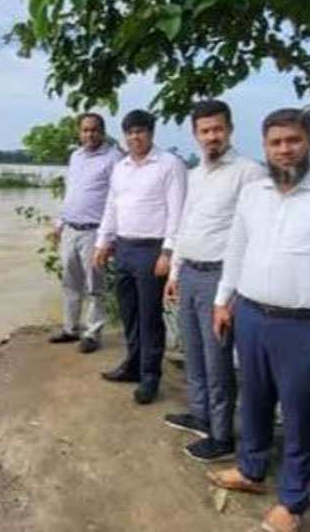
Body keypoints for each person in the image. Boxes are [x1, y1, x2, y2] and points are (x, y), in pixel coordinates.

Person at [210, 108, 310, 532]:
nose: (284, 150)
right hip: (250, 315)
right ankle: (251, 469)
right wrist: (223, 300)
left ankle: (293, 501)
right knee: (255, 400)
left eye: (293, 140)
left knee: (300, 415)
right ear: (264, 147)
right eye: (275, 142)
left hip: (306, 327)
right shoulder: (253, 194)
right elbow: (236, 250)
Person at [162, 100, 266, 462]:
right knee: (193, 350)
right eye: (204, 131)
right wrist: (174, 272)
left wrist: (234, 290)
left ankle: (221, 437)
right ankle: (199, 414)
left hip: (221, 277)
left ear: (230, 129)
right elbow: (185, 224)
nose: (211, 137)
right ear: (195, 135)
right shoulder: (195, 174)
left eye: (217, 129)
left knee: (217, 358)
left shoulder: (249, 172)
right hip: (190, 272)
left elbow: (257, 233)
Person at [93, 109, 186, 404]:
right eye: (130, 132)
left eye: (141, 131)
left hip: (152, 250)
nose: (135, 137)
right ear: (125, 136)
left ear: (151, 133)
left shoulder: (169, 164)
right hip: (123, 247)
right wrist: (102, 242)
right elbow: (112, 206)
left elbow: (177, 212)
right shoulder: (120, 167)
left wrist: (168, 252)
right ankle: (132, 365)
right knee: (129, 313)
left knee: (149, 318)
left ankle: (150, 377)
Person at [48, 113, 123, 352]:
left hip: (95, 232)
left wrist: (110, 237)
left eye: (94, 130)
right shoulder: (76, 156)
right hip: (70, 229)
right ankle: (70, 329)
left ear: (103, 132)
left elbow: (119, 198)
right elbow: (71, 192)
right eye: (85, 130)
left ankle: (92, 334)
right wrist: (59, 221)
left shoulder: (114, 158)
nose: (89, 134)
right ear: (79, 132)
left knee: (95, 286)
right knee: (70, 283)